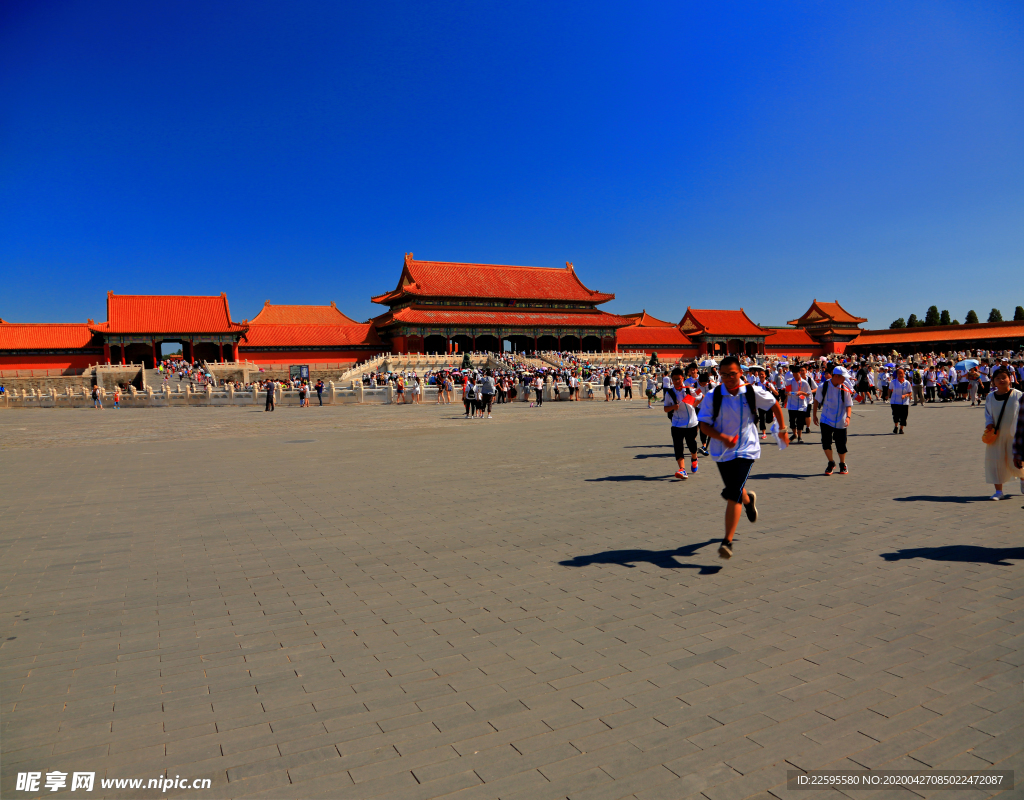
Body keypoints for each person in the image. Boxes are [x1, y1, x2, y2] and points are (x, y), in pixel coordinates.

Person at [697, 356, 788, 559]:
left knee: (733, 493)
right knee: (736, 490)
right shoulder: (713, 396)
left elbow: (774, 404)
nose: (729, 378)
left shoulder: (751, 391)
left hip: (747, 448)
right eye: (724, 375)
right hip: (722, 450)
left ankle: (727, 541)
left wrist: (782, 429)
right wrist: (722, 437)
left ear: (741, 373)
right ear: (718, 375)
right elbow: (703, 425)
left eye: (732, 374)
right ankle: (749, 500)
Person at [984, 367, 1023, 500]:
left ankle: (1023, 479)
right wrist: (989, 424)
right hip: (996, 435)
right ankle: (998, 491)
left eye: (1004, 377)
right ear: (993, 381)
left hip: (1015, 436)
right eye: (997, 378)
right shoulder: (990, 397)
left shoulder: (1019, 395)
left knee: (1017, 461)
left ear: (1010, 378)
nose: (1001, 380)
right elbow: (988, 414)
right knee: (996, 462)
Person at [812, 366, 854, 475]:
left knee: (841, 445)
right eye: (843, 377)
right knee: (826, 442)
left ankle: (842, 463)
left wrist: (848, 417)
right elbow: (816, 401)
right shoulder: (823, 386)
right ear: (836, 376)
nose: (845, 379)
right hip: (826, 419)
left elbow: (849, 405)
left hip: (841, 420)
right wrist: (814, 415)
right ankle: (831, 462)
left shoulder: (845, 387)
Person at [664, 366, 701, 479]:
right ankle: (682, 469)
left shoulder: (689, 389)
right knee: (678, 446)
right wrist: (673, 407)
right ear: (671, 380)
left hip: (691, 423)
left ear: (683, 378)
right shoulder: (669, 393)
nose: (676, 381)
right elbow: (665, 408)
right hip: (676, 424)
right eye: (674, 379)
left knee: (692, 445)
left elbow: (700, 396)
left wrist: (694, 403)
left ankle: (694, 459)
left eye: (679, 379)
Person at [786, 365, 811, 444]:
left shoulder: (804, 382)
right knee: (792, 422)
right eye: (793, 373)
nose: (794, 375)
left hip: (801, 405)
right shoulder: (789, 381)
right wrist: (793, 393)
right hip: (791, 404)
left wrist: (802, 393)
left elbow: (808, 394)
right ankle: (794, 434)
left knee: (800, 422)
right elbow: (787, 392)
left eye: (796, 374)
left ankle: (800, 436)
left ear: (799, 373)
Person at [889, 367, 913, 434]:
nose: (900, 374)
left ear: (904, 374)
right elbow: (889, 389)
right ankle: (896, 426)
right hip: (894, 402)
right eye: (899, 373)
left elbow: (910, 392)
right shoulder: (893, 382)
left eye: (901, 373)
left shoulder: (907, 383)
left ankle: (901, 429)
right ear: (897, 374)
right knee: (895, 415)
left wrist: (905, 395)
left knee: (904, 416)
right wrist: (887, 395)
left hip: (904, 402)